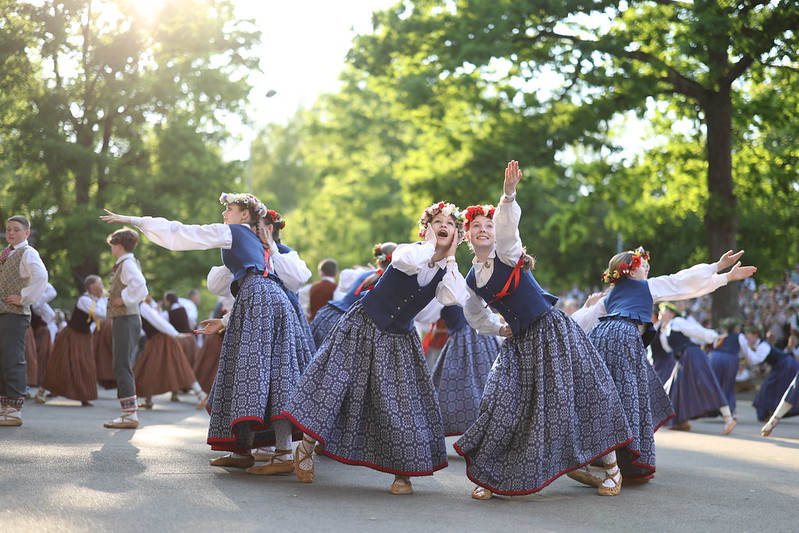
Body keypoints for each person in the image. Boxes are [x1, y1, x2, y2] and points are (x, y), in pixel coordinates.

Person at [101, 193, 313, 476]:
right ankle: (245, 449)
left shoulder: (237, 233)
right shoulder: (258, 243)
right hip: (266, 301)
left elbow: (184, 233)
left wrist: (134, 220)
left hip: (260, 302)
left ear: (245, 216)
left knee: (258, 373)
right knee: (261, 373)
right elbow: (255, 281)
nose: (225, 214)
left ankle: (282, 452)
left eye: (230, 209)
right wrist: (225, 320)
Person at [455, 162, 631, 501]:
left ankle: (611, 468)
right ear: (467, 235)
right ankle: (492, 477)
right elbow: (474, 314)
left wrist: (508, 195)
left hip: (551, 332)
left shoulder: (507, 252)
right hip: (519, 343)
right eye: (475, 225)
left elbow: (508, 230)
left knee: (580, 395)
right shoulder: (472, 280)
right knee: (501, 403)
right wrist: (499, 327)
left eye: (487, 224)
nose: (483, 229)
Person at [282, 201, 467, 495]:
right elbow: (405, 262)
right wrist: (434, 248)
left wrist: (451, 258)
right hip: (363, 324)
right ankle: (306, 447)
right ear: (427, 228)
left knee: (402, 404)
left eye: (450, 223)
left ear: (459, 233)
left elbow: (453, 298)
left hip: (398, 338)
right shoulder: (411, 250)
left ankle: (402, 473)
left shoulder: (448, 272)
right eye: (438, 221)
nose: (444, 226)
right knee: (334, 385)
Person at [572, 243, 756, 481]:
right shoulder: (646, 286)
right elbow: (680, 282)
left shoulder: (608, 297)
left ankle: (598, 457)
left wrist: (586, 307)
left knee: (607, 397)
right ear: (629, 271)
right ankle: (620, 465)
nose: (647, 269)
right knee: (630, 398)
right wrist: (720, 270)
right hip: (624, 338)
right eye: (643, 265)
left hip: (600, 339)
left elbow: (579, 323)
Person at [656, 302, 737, 433]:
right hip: (683, 358)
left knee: (707, 384)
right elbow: (668, 348)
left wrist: (714, 336)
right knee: (675, 387)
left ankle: (729, 419)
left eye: (663, 311)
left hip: (692, 354)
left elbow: (696, 331)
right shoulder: (665, 329)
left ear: (671, 313)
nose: (660, 313)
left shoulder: (677, 322)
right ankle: (680, 421)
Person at [0, 215, 49, 426]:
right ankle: (5, 406)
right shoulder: (6, 253)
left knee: (13, 359)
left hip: (15, 314)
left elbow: (41, 276)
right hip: (4, 312)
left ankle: (14, 410)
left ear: (26, 233)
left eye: (16, 229)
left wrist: (25, 298)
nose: (11, 232)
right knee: (3, 360)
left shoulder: (28, 253)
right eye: (9, 229)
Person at [35, 275, 107, 406]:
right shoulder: (84, 300)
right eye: (99, 284)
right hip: (71, 335)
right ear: (92, 286)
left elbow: (100, 317)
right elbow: (100, 313)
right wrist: (103, 299)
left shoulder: (93, 300)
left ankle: (84, 396)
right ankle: (40, 392)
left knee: (86, 365)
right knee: (59, 363)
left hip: (83, 337)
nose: (102, 287)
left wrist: (102, 299)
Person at [430, 303, 500, 436]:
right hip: (484, 341)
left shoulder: (448, 287)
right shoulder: (466, 286)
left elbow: (426, 317)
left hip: (466, 342)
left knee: (469, 392)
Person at [310, 243, 397, 348]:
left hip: (331, 315)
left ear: (378, 260)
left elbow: (344, 285)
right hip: (350, 324)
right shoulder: (388, 282)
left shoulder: (364, 274)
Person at [104, 227, 149, 429]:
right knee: (121, 363)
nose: (112, 248)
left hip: (127, 318)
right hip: (125, 319)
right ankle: (128, 413)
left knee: (121, 364)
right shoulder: (126, 263)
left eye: (113, 244)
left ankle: (129, 414)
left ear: (119, 245)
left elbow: (141, 286)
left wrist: (124, 299)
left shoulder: (128, 263)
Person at [134, 299, 207, 410]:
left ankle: (202, 395)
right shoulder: (137, 306)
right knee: (149, 369)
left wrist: (175, 334)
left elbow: (158, 321)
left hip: (162, 340)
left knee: (180, 367)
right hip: (156, 340)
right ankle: (148, 400)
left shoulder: (142, 307)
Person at [742, 325, 799, 422]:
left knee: (769, 388)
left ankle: (766, 414)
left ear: (756, 335)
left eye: (748, 335)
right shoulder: (760, 345)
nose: (746, 337)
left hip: (786, 366)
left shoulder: (763, 345)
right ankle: (767, 413)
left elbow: (755, 360)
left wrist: (745, 348)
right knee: (771, 389)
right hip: (782, 366)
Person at [707, 317, 745, 414]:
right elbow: (745, 350)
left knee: (715, 382)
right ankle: (729, 407)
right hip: (730, 358)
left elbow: (715, 346)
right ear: (735, 327)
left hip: (715, 357)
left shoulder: (720, 336)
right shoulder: (739, 336)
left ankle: (712, 407)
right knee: (728, 383)